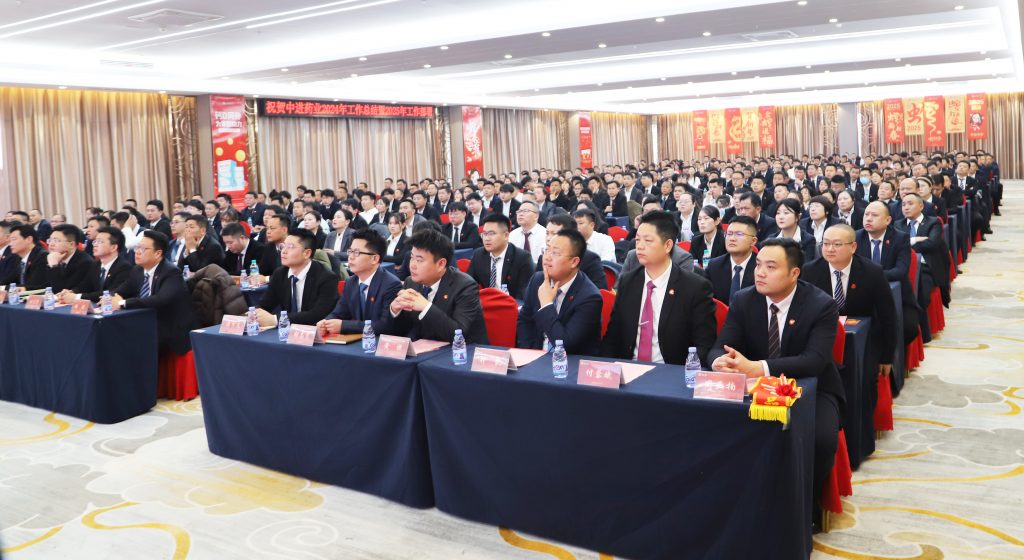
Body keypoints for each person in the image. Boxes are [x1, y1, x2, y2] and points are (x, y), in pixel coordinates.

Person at [708, 237, 843, 520]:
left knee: (820, 439)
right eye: (758, 265)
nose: (760, 273)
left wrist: (758, 367)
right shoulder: (744, 299)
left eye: (771, 267)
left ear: (794, 273)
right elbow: (721, 346)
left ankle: (804, 509)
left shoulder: (821, 305)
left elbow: (814, 360)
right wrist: (719, 360)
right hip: (755, 388)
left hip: (812, 388)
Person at [600, 211, 717, 365]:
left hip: (671, 370)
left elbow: (704, 345)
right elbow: (613, 337)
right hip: (628, 368)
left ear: (668, 245)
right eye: (637, 240)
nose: (640, 246)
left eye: (648, 240)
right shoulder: (627, 281)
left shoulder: (695, 287)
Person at [802, 224, 897, 378]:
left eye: (837, 244)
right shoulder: (810, 271)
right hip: (823, 338)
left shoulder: (872, 272)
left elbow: (888, 316)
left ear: (853, 247)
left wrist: (887, 357)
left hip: (864, 339)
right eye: (826, 243)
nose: (830, 249)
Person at [387, 229, 489, 343]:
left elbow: (458, 334)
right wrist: (395, 311)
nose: (412, 265)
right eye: (412, 257)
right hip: (423, 348)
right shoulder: (410, 282)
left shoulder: (465, 286)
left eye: (419, 260)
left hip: (462, 350)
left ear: (441, 264)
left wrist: (426, 307)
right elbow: (404, 329)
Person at [110, 231, 197, 356]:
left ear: (158, 253)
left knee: (131, 341)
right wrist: (109, 298)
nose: (137, 252)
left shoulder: (171, 272)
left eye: (143, 249)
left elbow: (160, 299)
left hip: (170, 327)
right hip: (148, 322)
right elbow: (121, 290)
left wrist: (123, 303)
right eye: (137, 248)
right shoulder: (137, 270)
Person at [517, 229, 603, 355]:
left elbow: (564, 344)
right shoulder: (537, 280)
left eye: (555, 253)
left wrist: (546, 304)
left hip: (570, 361)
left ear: (574, 262)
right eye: (547, 250)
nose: (547, 257)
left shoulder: (590, 297)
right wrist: (530, 353)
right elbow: (525, 321)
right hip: (536, 356)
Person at [318, 229, 401, 337]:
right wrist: (326, 322)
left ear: (374, 259)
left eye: (357, 253)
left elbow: (384, 325)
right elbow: (339, 312)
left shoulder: (391, 285)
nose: (351, 257)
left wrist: (344, 326)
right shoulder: (350, 282)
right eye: (350, 251)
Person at [893, 193, 950, 342]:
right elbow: (895, 247)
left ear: (921, 206)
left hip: (926, 268)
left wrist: (906, 244)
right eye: (903, 204)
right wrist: (914, 240)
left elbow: (932, 244)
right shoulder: (898, 224)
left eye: (910, 204)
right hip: (903, 268)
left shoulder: (933, 222)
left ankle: (923, 334)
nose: (906, 207)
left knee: (921, 294)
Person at [256, 229, 339, 327]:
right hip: (288, 331)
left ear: (307, 253)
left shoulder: (327, 277)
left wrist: (277, 320)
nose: (284, 251)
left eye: (290, 247)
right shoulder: (280, 273)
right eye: (283, 246)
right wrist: (255, 314)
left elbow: (318, 314)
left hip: (314, 331)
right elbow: (265, 304)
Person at [468, 214, 534, 299]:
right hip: (486, 302)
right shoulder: (479, 255)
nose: (486, 238)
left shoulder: (522, 258)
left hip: (511, 303)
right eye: (484, 234)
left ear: (506, 235)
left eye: (491, 234)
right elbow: (469, 284)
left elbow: (524, 294)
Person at [59, 226, 132, 303]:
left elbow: (110, 293)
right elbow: (85, 286)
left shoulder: (124, 267)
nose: (95, 245)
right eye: (95, 241)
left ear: (113, 247)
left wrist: (77, 297)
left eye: (100, 242)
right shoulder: (95, 265)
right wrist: (71, 292)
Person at [535, 213, 608, 290]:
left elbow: (600, 290)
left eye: (554, 234)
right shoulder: (543, 258)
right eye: (547, 233)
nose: (548, 238)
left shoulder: (589, 259)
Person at [705, 216, 758, 304]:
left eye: (739, 234)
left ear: (753, 241)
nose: (732, 238)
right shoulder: (714, 266)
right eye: (729, 234)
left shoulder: (760, 267)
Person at [43, 224, 94, 293]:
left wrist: (54, 265)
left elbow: (60, 291)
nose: (51, 244)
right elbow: (46, 286)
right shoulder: (53, 257)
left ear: (71, 245)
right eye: (50, 240)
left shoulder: (84, 263)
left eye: (56, 240)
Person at [1, 224, 49, 289]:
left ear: (29, 239)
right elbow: (10, 279)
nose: (10, 244)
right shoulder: (19, 258)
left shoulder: (42, 257)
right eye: (10, 240)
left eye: (14, 239)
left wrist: (5, 288)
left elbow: (34, 285)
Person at [769, 198, 816, 263]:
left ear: (798, 217)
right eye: (778, 213)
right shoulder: (771, 239)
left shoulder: (808, 240)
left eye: (786, 213)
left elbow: (806, 265)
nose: (781, 217)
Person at [508, 200, 546, 264]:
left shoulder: (545, 234)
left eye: (525, 211)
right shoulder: (512, 235)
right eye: (519, 211)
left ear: (536, 216)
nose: (520, 214)